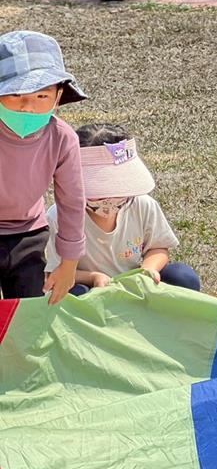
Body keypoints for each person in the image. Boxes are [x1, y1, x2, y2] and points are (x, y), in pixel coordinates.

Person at [44, 124, 200, 295]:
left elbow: (158, 248)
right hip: (91, 291)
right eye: (100, 187)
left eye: (117, 187)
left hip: (134, 288)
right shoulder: (58, 216)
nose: (108, 198)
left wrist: (148, 270)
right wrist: (93, 277)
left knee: (182, 277)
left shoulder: (142, 205)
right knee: (73, 292)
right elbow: (54, 271)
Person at [0, 31, 87, 304]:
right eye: (15, 94)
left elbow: (72, 201)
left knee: (29, 309)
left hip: (29, 233)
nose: (27, 107)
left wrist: (69, 263)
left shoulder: (62, 138)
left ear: (59, 95)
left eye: (41, 95)